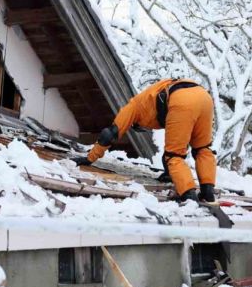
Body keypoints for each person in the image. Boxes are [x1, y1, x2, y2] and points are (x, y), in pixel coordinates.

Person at [73, 78, 217, 203]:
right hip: (204, 97)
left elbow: (109, 133)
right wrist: (168, 174)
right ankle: (208, 191)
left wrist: (90, 158)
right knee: (202, 149)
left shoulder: (133, 107)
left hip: (181, 99)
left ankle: (188, 195)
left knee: (173, 155)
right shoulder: (149, 98)